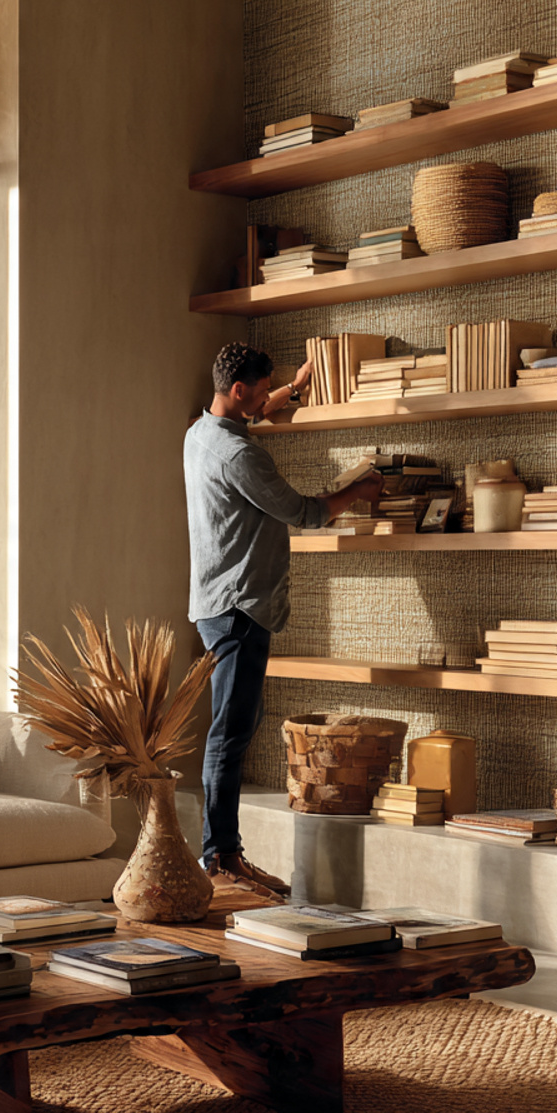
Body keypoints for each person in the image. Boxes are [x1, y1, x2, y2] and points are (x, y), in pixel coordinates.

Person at [184, 341, 383, 901]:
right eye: (261, 389)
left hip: (217, 605)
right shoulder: (240, 456)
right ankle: (220, 858)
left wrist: (291, 391)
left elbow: (254, 411)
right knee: (231, 732)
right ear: (239, 389)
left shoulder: (200, 433)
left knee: (235, 726)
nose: (264, 399)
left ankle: (221, 852)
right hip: (242, 607)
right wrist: (357, 492)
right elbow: (305, 512)